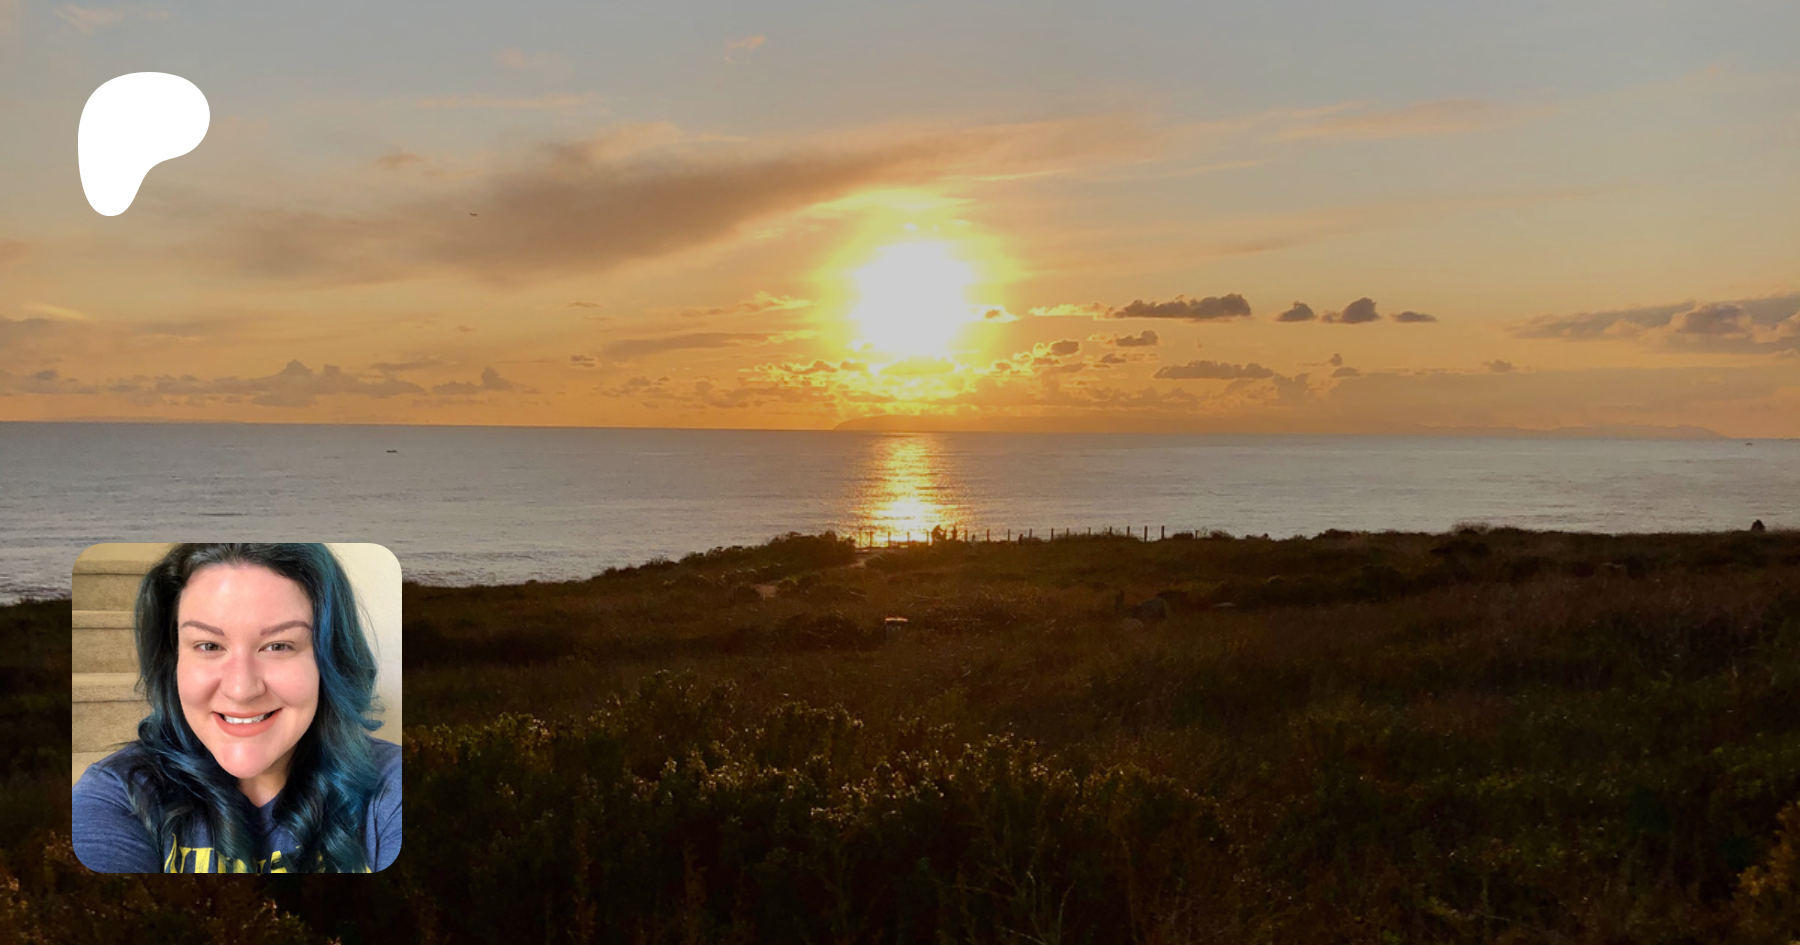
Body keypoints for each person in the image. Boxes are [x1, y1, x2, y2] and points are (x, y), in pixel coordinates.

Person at [72, 543, 402, 872]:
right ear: (174, 661)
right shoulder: (118, 794)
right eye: (209, 645)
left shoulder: (393, 785)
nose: (241, 690)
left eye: (278, 646)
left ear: (329, 659)